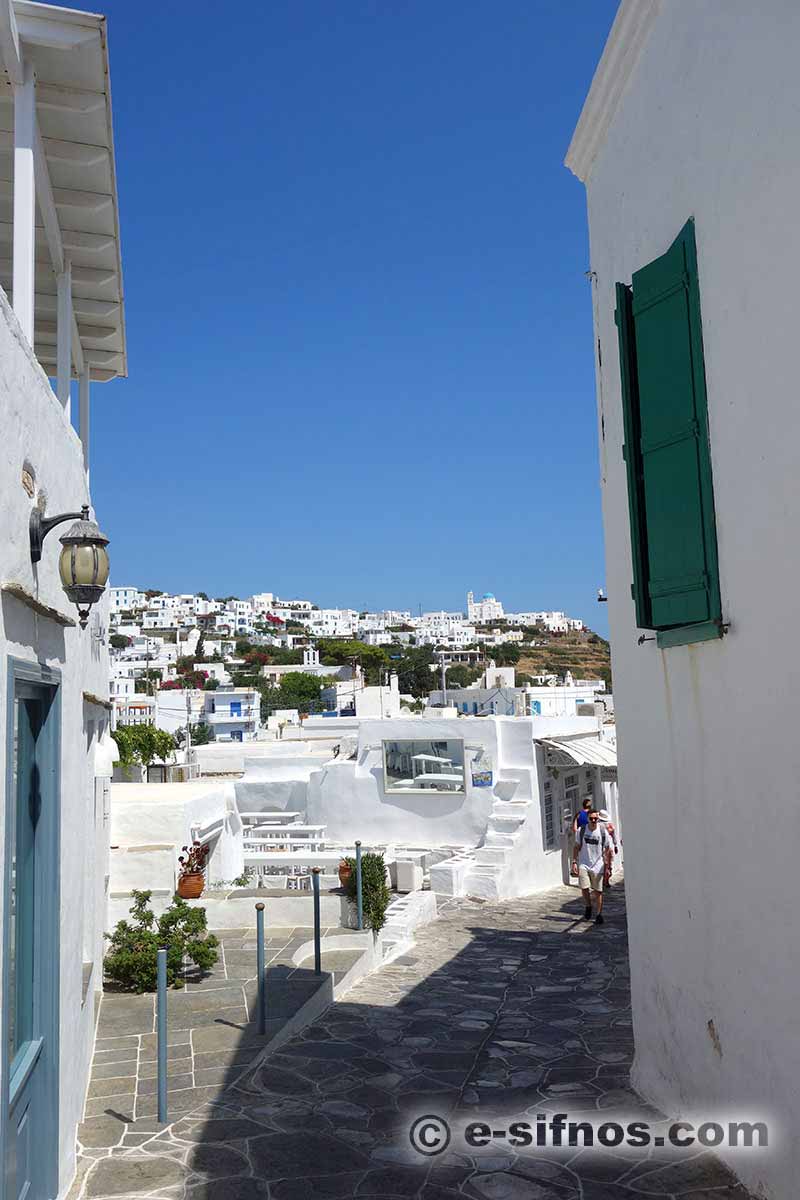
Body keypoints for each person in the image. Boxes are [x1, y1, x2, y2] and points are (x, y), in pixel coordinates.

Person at [571, 809, 612, 925]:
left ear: (598, 819)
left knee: (598, 891)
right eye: (591, 818)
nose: (593, 821)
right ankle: (588, 906)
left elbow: (608, 850)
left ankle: (599, 914)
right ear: (588, 819)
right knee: (584, 887)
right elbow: (576, 846)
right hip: (584, 863)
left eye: (595, 819)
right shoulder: (582, 830)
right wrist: (574, 862)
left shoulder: (603, 832)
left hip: (598, 865)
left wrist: (608, 867)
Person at [597, 808, 619, 887]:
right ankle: (606, 880)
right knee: (609, 864)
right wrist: (616, 845)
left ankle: (603, 880)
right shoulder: (610, 825)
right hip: (609, 847)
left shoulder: (597, 825)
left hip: (600, 848)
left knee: (602, 865)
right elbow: (614, 836)